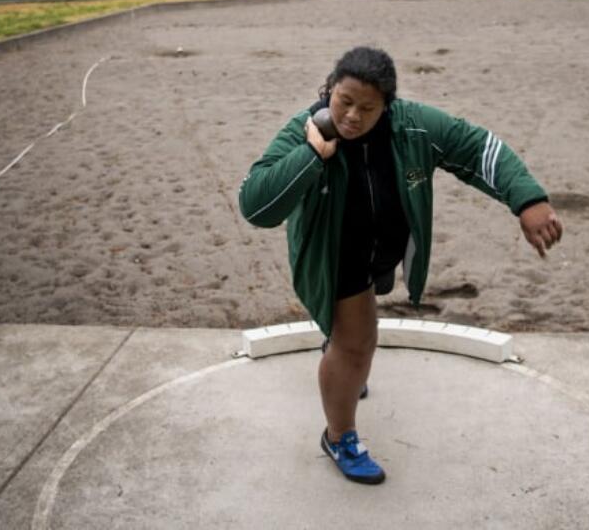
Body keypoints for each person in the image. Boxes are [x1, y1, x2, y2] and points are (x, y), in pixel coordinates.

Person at [238, 46, 563, 485]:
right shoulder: (304, 130)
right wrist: (313, 156)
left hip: (383, 249)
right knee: (358, 342)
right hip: (336, 253)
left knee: (349, 345)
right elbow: (256, 206)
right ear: (329, 90)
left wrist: (529, 200)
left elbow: (478, 148)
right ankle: (339, 436)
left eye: (367, 108)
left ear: (387, 106)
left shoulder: (414, 126)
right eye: (343, 101)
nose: (352, 116)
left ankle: (339, 360)